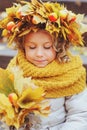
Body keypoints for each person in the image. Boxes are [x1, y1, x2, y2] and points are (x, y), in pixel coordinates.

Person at [0, 0, 87, 130]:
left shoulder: (71, 74)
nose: (39, 54)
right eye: (32, 47)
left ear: (60, 47)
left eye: (47, 47)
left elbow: (80, 115)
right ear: (23, 47)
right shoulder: (15, 70)